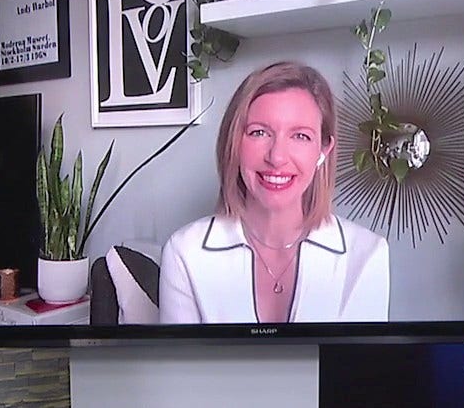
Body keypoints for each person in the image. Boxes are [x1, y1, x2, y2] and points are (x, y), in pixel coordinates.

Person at [158, 61, 389, 324]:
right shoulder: (185, 252)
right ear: (233, 143)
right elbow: (184, 354)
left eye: (300, 136)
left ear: (323, 150)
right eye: (259, 132)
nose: (277, 157)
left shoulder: (368, 255)